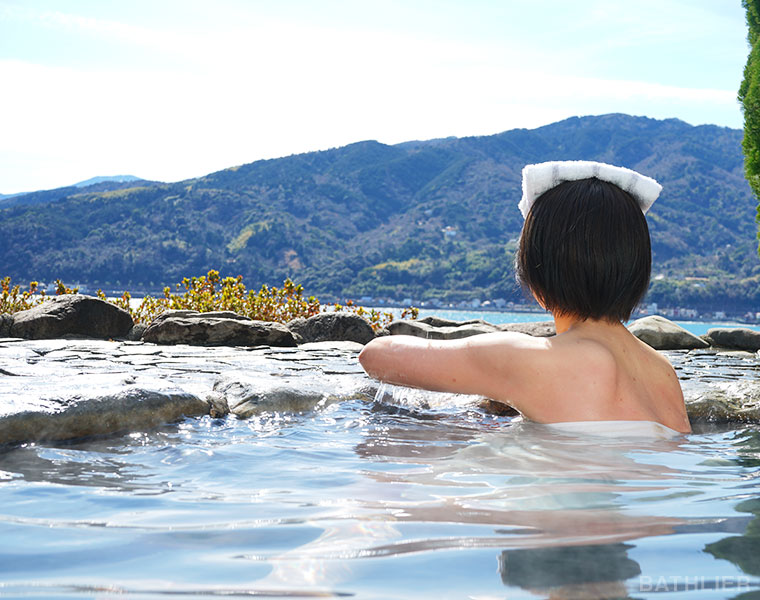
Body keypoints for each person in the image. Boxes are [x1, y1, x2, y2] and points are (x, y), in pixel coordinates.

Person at [359, 160, 691, 434]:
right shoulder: (663, 372)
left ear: (537, 271)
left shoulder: (532, 358)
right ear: (636, 268)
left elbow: (377, 356)